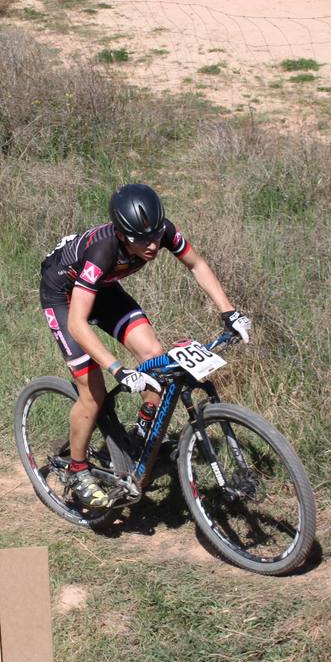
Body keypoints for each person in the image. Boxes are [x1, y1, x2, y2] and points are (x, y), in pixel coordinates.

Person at [38, 183, 252, 507]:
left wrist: (230, 312)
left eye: (155, 235)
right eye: (141, 239)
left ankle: (140, 438)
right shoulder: (103, 250)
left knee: (156, 358)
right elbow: (77, 324)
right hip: (64, 297)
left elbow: (197, 264)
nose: (152, 245)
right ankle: (77, 469)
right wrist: (118, 369)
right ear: (122, 234)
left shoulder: (158, 230)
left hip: (103, 289)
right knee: (93, 392)